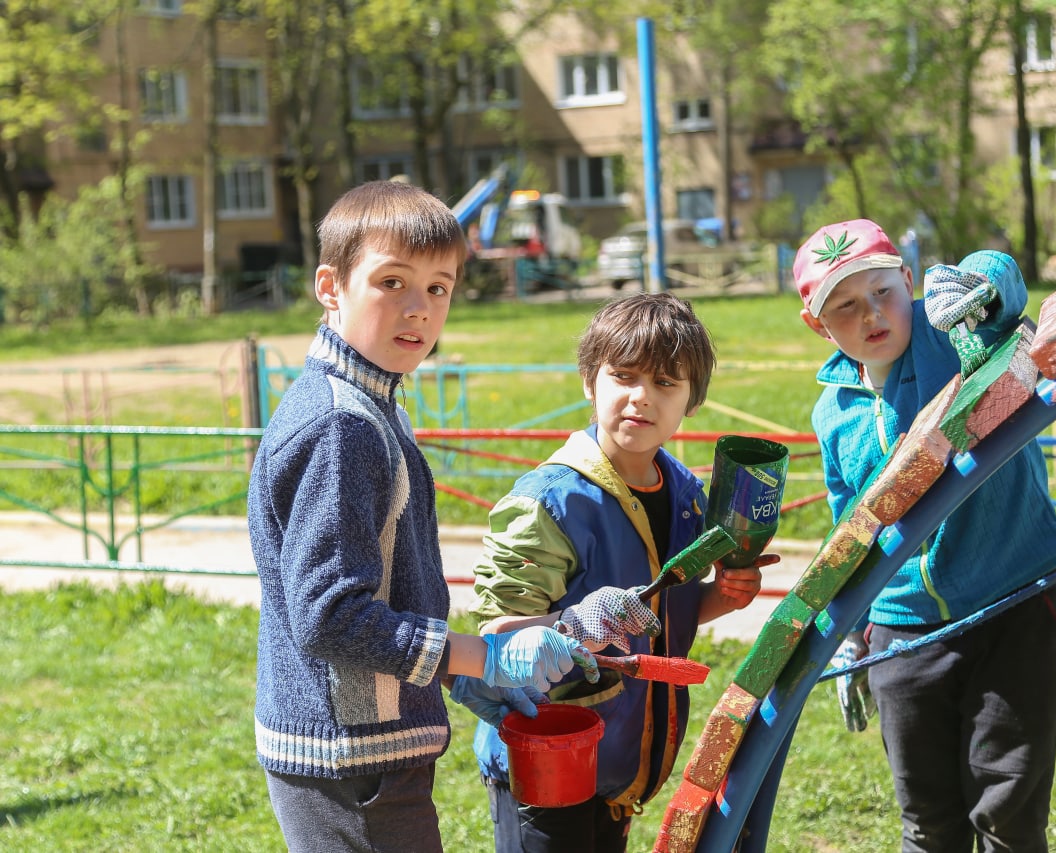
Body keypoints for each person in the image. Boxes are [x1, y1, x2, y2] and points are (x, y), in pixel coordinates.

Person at [249, 180, 646, 852]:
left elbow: (372, 593)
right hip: (354, 760)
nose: (418, 309)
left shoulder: (369, 403)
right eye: (392, 282)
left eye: (439, 287)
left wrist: (457, 673)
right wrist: (480, 653)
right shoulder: (344, 426)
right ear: (330, 285)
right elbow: (329, 615)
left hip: (359, 747)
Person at [792, 219, 1056, 852]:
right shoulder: (831, 411)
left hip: (1014, 608)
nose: (870, 314)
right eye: (844, 306)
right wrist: (853, 631)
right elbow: (851, 523)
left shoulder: (954, 333)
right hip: (903, 636)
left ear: (911, 282)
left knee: (1008, 813)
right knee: (927, 823)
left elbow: (1004, 282)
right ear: (818, 325)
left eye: (883, 292)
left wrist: (976, 282)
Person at [468, 292, 773, 852]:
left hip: (621, 759)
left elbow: (666, 611)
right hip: (546, 759)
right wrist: (579, 623)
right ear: (590, 380)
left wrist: (718, 599)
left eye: (665, 383)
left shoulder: (684, 493)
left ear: (692, 400)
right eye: (623, 376)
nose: (641, 398)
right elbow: (494, 643)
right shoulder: (551, 501)